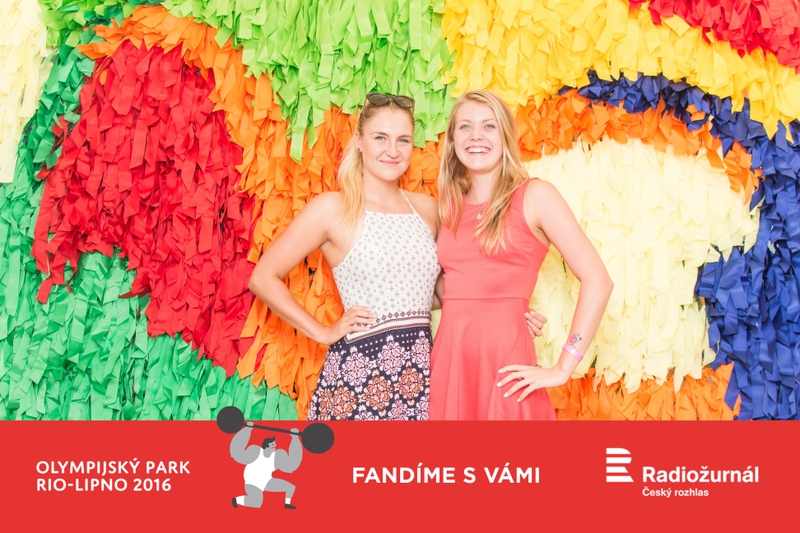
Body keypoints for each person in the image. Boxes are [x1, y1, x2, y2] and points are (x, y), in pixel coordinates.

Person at [248, 93, 441, 420]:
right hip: (357, 379)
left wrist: (508, 310)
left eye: (403, 140)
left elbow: (436, 292)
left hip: (420, 379)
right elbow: (262, 278)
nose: (393, 150)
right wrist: (323, 332)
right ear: (360, 142)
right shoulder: (332, 208)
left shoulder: (427, 208)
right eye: (380, 138)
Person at [429, 89, 614, 420]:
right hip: (450, 364)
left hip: (506, 367)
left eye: (489, 126)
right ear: (453, 141)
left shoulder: (535, 195)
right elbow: (453, 290)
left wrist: (564, 366)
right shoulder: (448, 209)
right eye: (465, 127)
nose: (476, 136)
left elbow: (598, 281)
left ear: (505, 136)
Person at [230, 423, 302, 509]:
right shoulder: (256, 452)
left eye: (275, 444)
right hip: (253, 481)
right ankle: (236, 500)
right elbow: (238, 452)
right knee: (256, 503)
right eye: (273, 444)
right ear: (267, 445)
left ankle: (287, 504)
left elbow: (292, 464)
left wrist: (295, 438)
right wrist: (247, 430)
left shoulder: (276, 457)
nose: (275, 446)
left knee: (290, 487)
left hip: (266, 481)